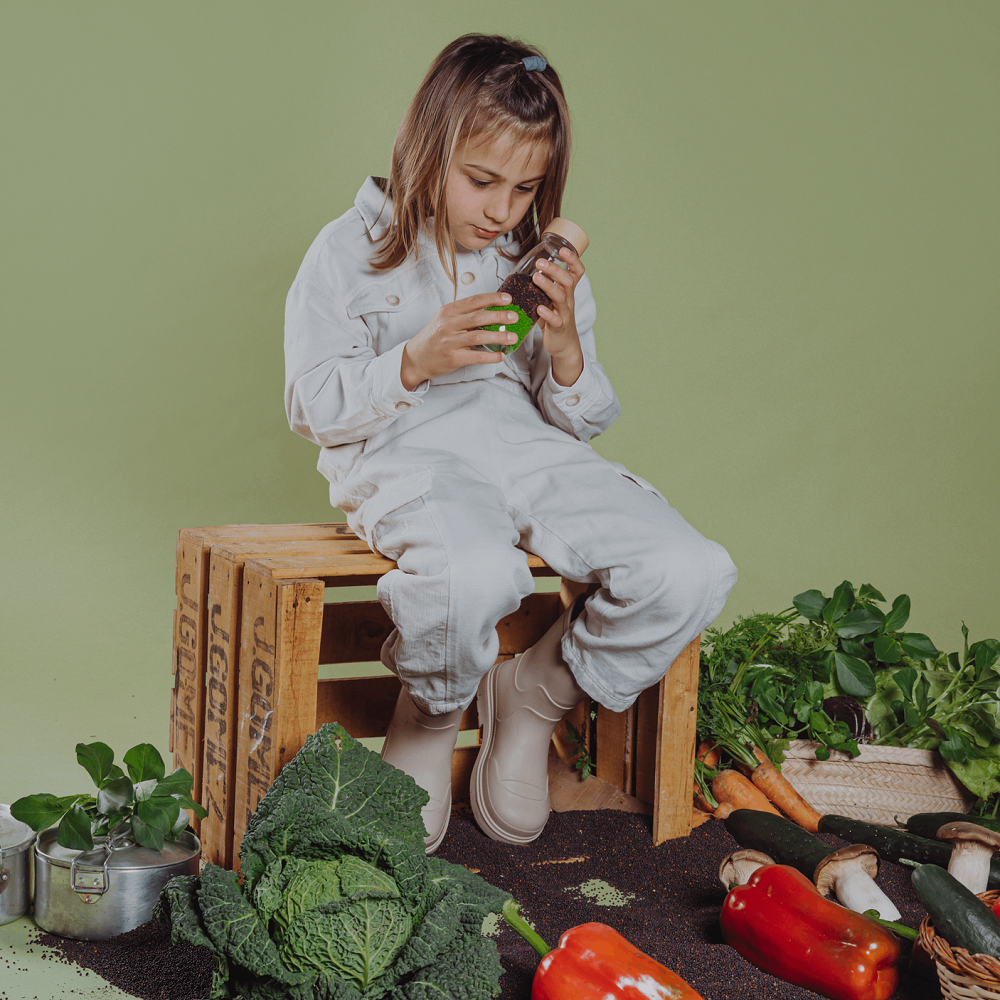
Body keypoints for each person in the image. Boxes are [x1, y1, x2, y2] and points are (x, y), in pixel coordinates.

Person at [284, 33, 737, 853]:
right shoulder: (346, 252)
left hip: (528, 449)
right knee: (474, 575)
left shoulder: (534, 257)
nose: (501, 210)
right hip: (409, 454)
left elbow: (578, 421)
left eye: (526, 188)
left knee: (689, 568)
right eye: (482, 181)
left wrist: (563, 347)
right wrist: (414, 362)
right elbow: (310, 403)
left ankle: (533, 697)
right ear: (428, 149)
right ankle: (427, 718)